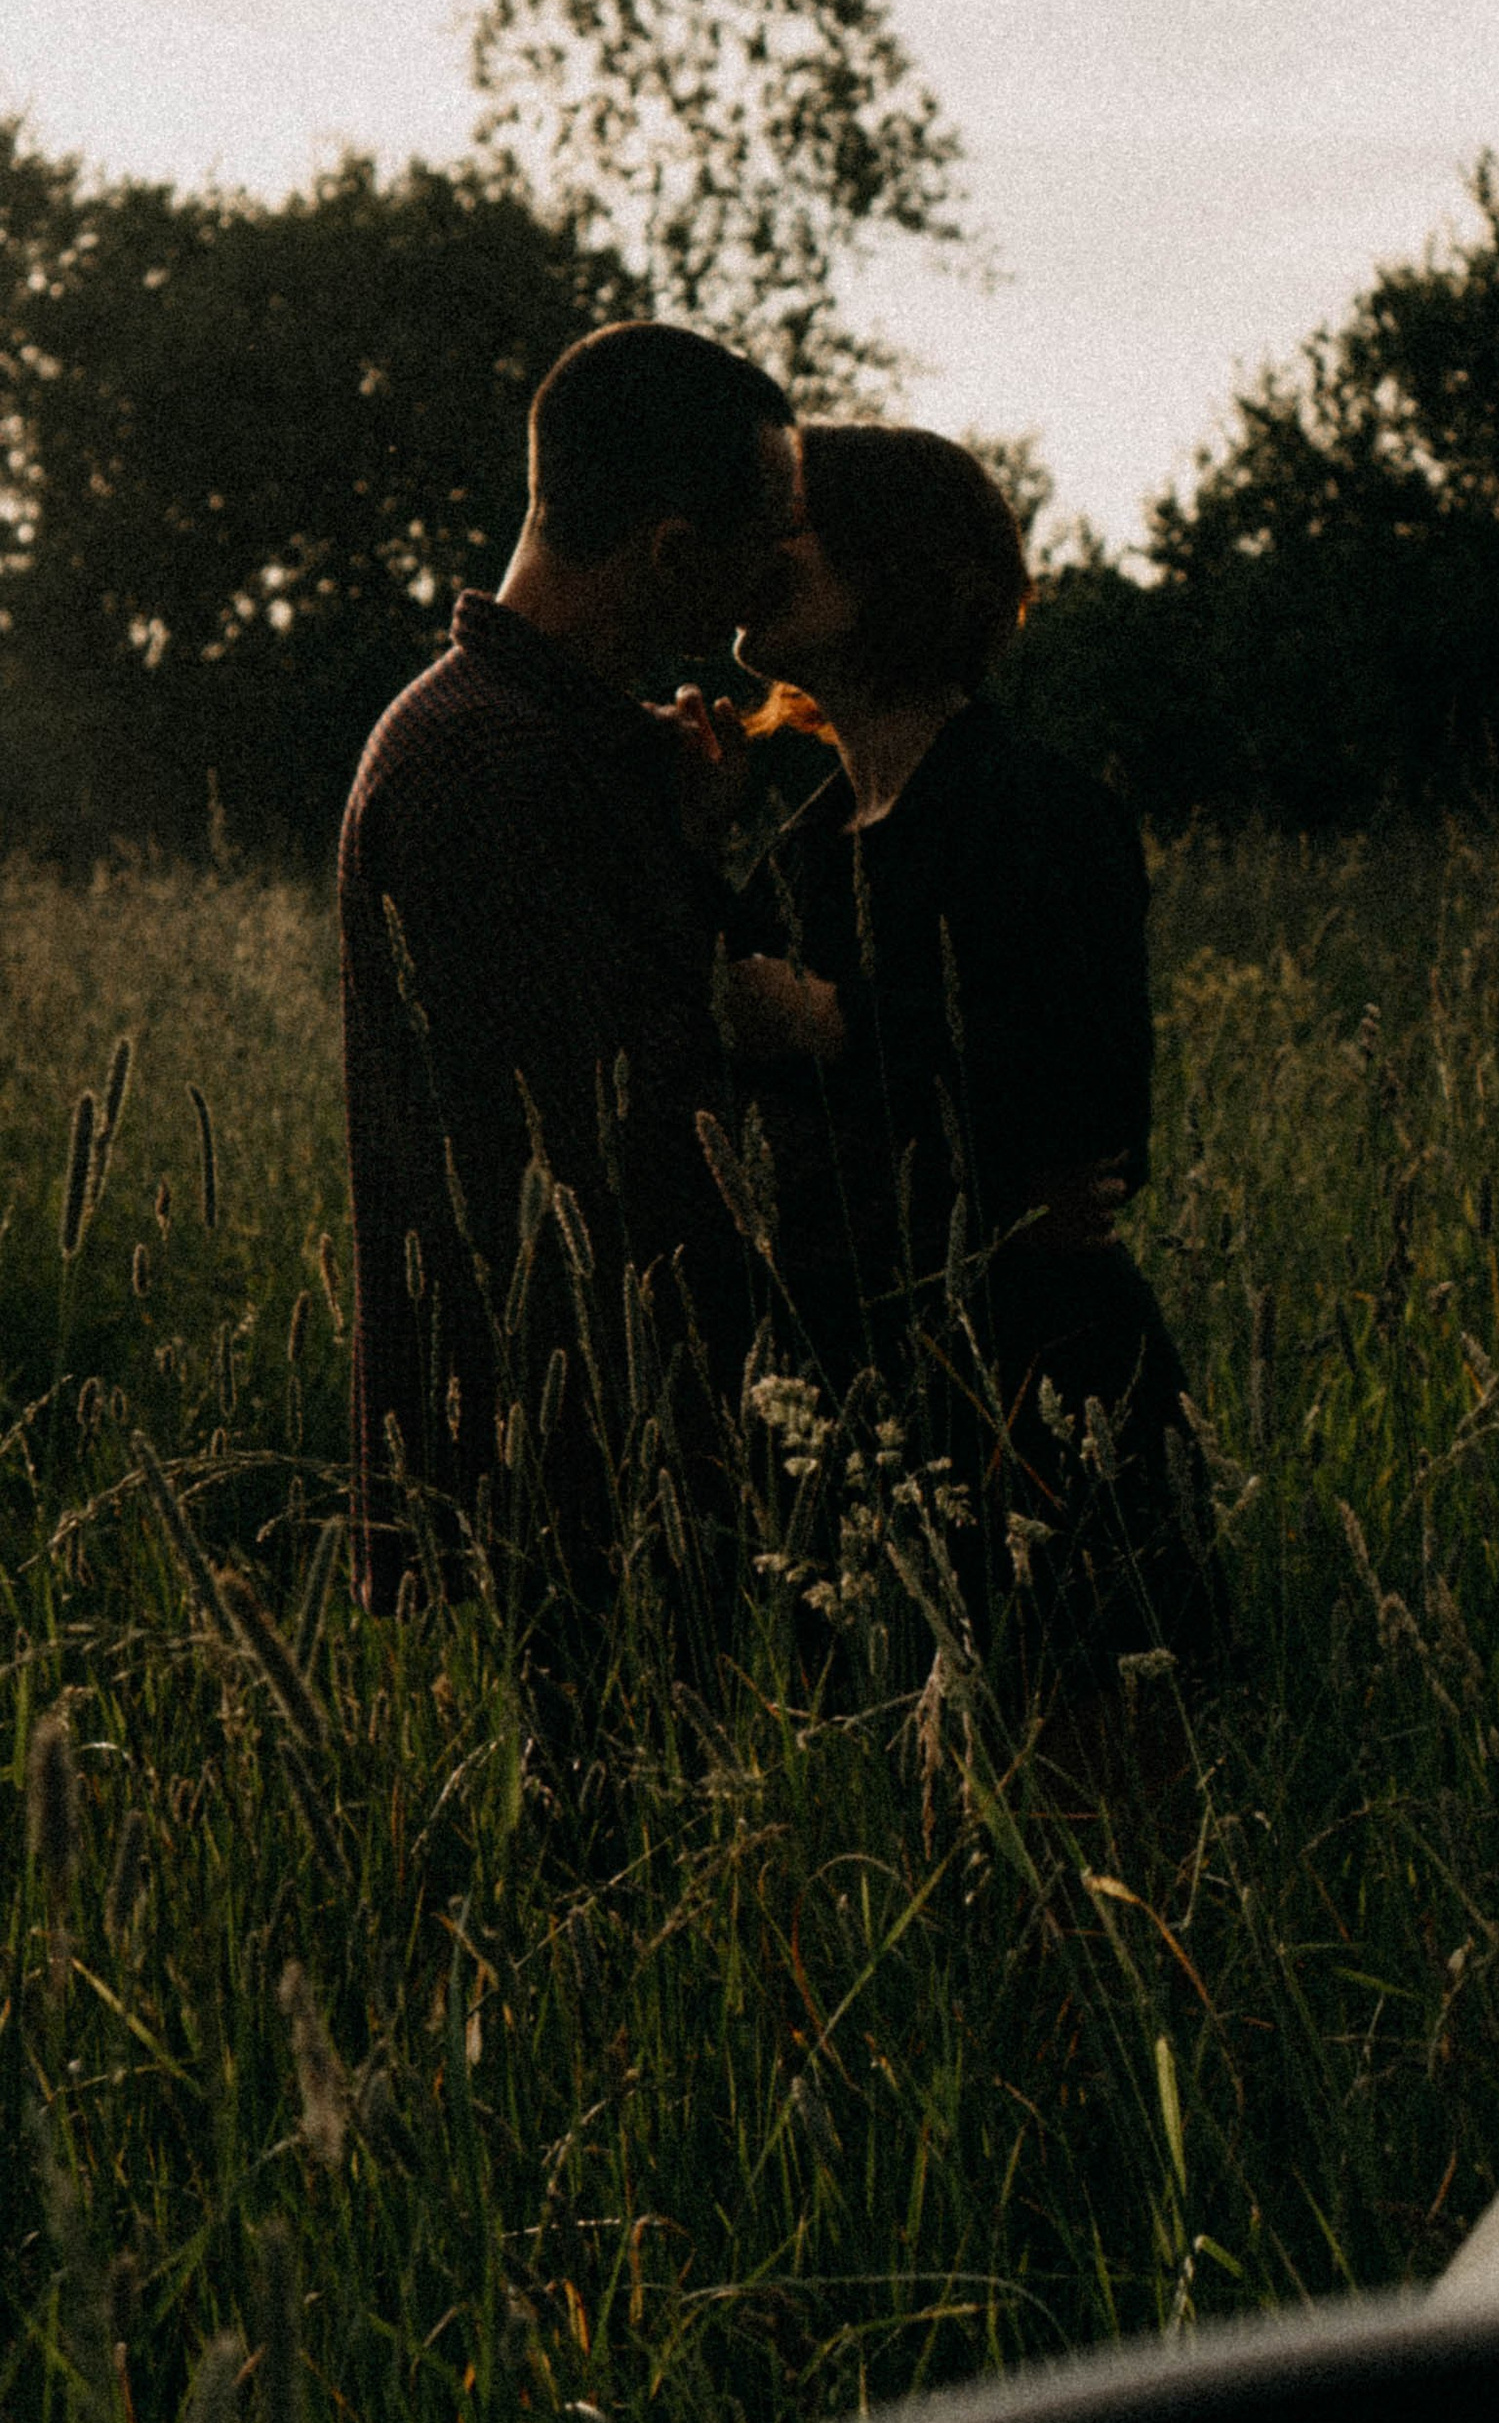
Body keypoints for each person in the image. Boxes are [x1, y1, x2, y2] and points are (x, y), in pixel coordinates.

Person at [724, 423, 1223, 1719]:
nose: (752, 548)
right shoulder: (802, 849)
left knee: (1076, 1786)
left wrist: (836, 1028)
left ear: (889, 564)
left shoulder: (1037, 811)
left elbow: (1091, 1127)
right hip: (841, 1414)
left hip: (1036, 1395)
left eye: (788, 523)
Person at [336, 320, 802, 1629]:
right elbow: (603, 1130)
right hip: (551, 1484)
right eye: (765, 547)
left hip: (602, 1456)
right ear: (673, 554)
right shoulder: (484, 761)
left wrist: (686, 835)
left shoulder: (557, 742)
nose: (773, 587)